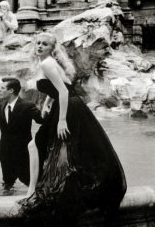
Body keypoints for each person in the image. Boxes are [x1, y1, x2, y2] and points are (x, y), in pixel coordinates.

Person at [20, 32, 127, 225]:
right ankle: (36, 188)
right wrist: (47, 102)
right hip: (71, 105)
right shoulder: (50, 62)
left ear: (51, 49)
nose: (39, 47)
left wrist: (61, 120)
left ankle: (33, 191)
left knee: (37, 145)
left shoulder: (46, 64)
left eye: (44, 44)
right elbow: (64, 86)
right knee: (56, 147)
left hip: (68, 108)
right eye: (38, 43)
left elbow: (63, 90)